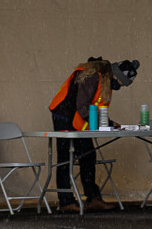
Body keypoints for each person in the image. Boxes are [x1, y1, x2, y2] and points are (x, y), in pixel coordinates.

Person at [47, 57, 140, 212]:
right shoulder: (92, 77)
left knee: (88, 155)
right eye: (120, 83)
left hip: (78, 118)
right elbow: (83, 106)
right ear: (114, 75)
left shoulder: (104, 82)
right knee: (65, 158)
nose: (119, 86)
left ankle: (93, 198)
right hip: (63, 115)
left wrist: (108, 123)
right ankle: (66, 202)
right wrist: (102, 125)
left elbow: (96, 107)